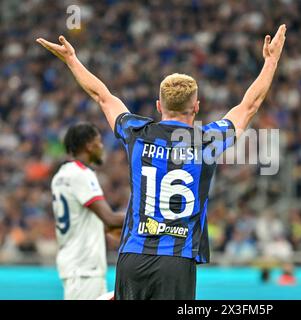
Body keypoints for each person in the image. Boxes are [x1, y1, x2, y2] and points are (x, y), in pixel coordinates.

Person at [37, 24, 286, 299]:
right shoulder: (207, 140)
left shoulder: (137, 133)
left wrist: (72, 59)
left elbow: (102, 96)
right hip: (176, 261)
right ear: (197, 107)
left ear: (158, 105)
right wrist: (271, 61)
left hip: (133, 256)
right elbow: (249, 106)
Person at [50, 123, 124, 300]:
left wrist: (105, 230)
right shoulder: (81, 174)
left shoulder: (60, 175)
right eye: (99, 142)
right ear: (89, 145)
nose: (102, 146)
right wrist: (147, 218)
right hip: (84, 268)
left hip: (75, 264)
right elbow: (110, 218)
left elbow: (82, 219)